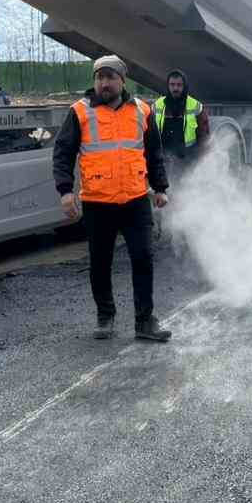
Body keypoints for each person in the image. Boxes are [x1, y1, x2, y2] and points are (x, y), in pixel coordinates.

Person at [52, 55, 172, 342]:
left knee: (143, 258)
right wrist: (66, 191)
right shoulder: (79, 112)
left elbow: (153, 153)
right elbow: (63, 153)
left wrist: (160, 188)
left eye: (110, 77)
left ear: (122, 80)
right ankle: (105, 316)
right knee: (100, 262)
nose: (104, 83)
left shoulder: (143, 110)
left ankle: (145, 322)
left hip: (135, 199)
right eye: (99, 77)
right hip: (98, 202)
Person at [152, 70, 209, 164]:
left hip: (188, 159)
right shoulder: (157, 105)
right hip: (163, 159)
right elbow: (149, 133)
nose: (175, 88)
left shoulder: (196, 106)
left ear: (185, 86)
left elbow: (203, 136)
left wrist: (200, 160)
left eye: (179, 85)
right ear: (168, 85)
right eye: (172, 84)